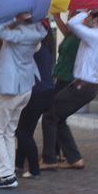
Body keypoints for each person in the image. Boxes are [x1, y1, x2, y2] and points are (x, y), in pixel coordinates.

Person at [44, 10, 98, 170]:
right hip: (83, 86)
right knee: (58, 117)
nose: (86, 19)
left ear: (95, 20)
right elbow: (70, 29)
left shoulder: (97, 36)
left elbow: (73, 25)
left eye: (90, 17)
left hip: (83, 86)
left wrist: (86, 12)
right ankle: (74, 158)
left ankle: (49, 159)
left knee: (50, 115)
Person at [0, 13, 47, 188]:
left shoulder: (21, 34)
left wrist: (12, 18)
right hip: (24, 86)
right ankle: (8, 172)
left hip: (11, 88)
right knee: (8, 131)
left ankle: (6, 175)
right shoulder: (38, 30)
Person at [15, 20, 56, 179]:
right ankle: (18, 164)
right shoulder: (47, 46)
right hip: (46, 92)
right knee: (26, 129)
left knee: (22, 131)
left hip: (37, 92)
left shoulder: (36, 45)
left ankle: (33, 168)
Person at [40, 12, 81, 170]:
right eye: (69, 13)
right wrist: (57, 16)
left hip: (69, 78)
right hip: (62, 76)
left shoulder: (83, 35)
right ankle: (60, 154)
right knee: (57, 116)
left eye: (73, 14)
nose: (70, 16)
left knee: (52, 115)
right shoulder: (72, 34)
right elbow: (66, 29)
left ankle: (53, 156)